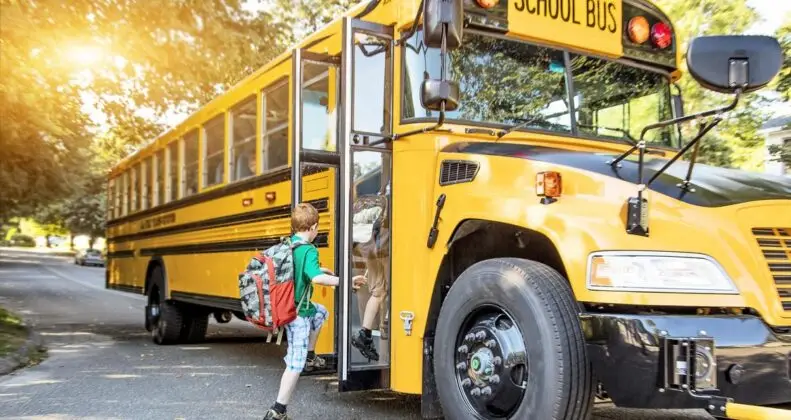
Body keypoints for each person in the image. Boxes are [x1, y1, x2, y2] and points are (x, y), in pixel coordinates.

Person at [263, 202, 339, 420]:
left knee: (321, 312)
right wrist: (341, 281)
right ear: (314, 227)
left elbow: (298, 269)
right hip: (297, 315)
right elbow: (315, 278)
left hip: (289, 307)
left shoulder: (290, 244)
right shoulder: (309, 250)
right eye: (317, 228)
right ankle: (278, 410)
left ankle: (311, 356)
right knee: (294, 364)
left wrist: (319, 269)